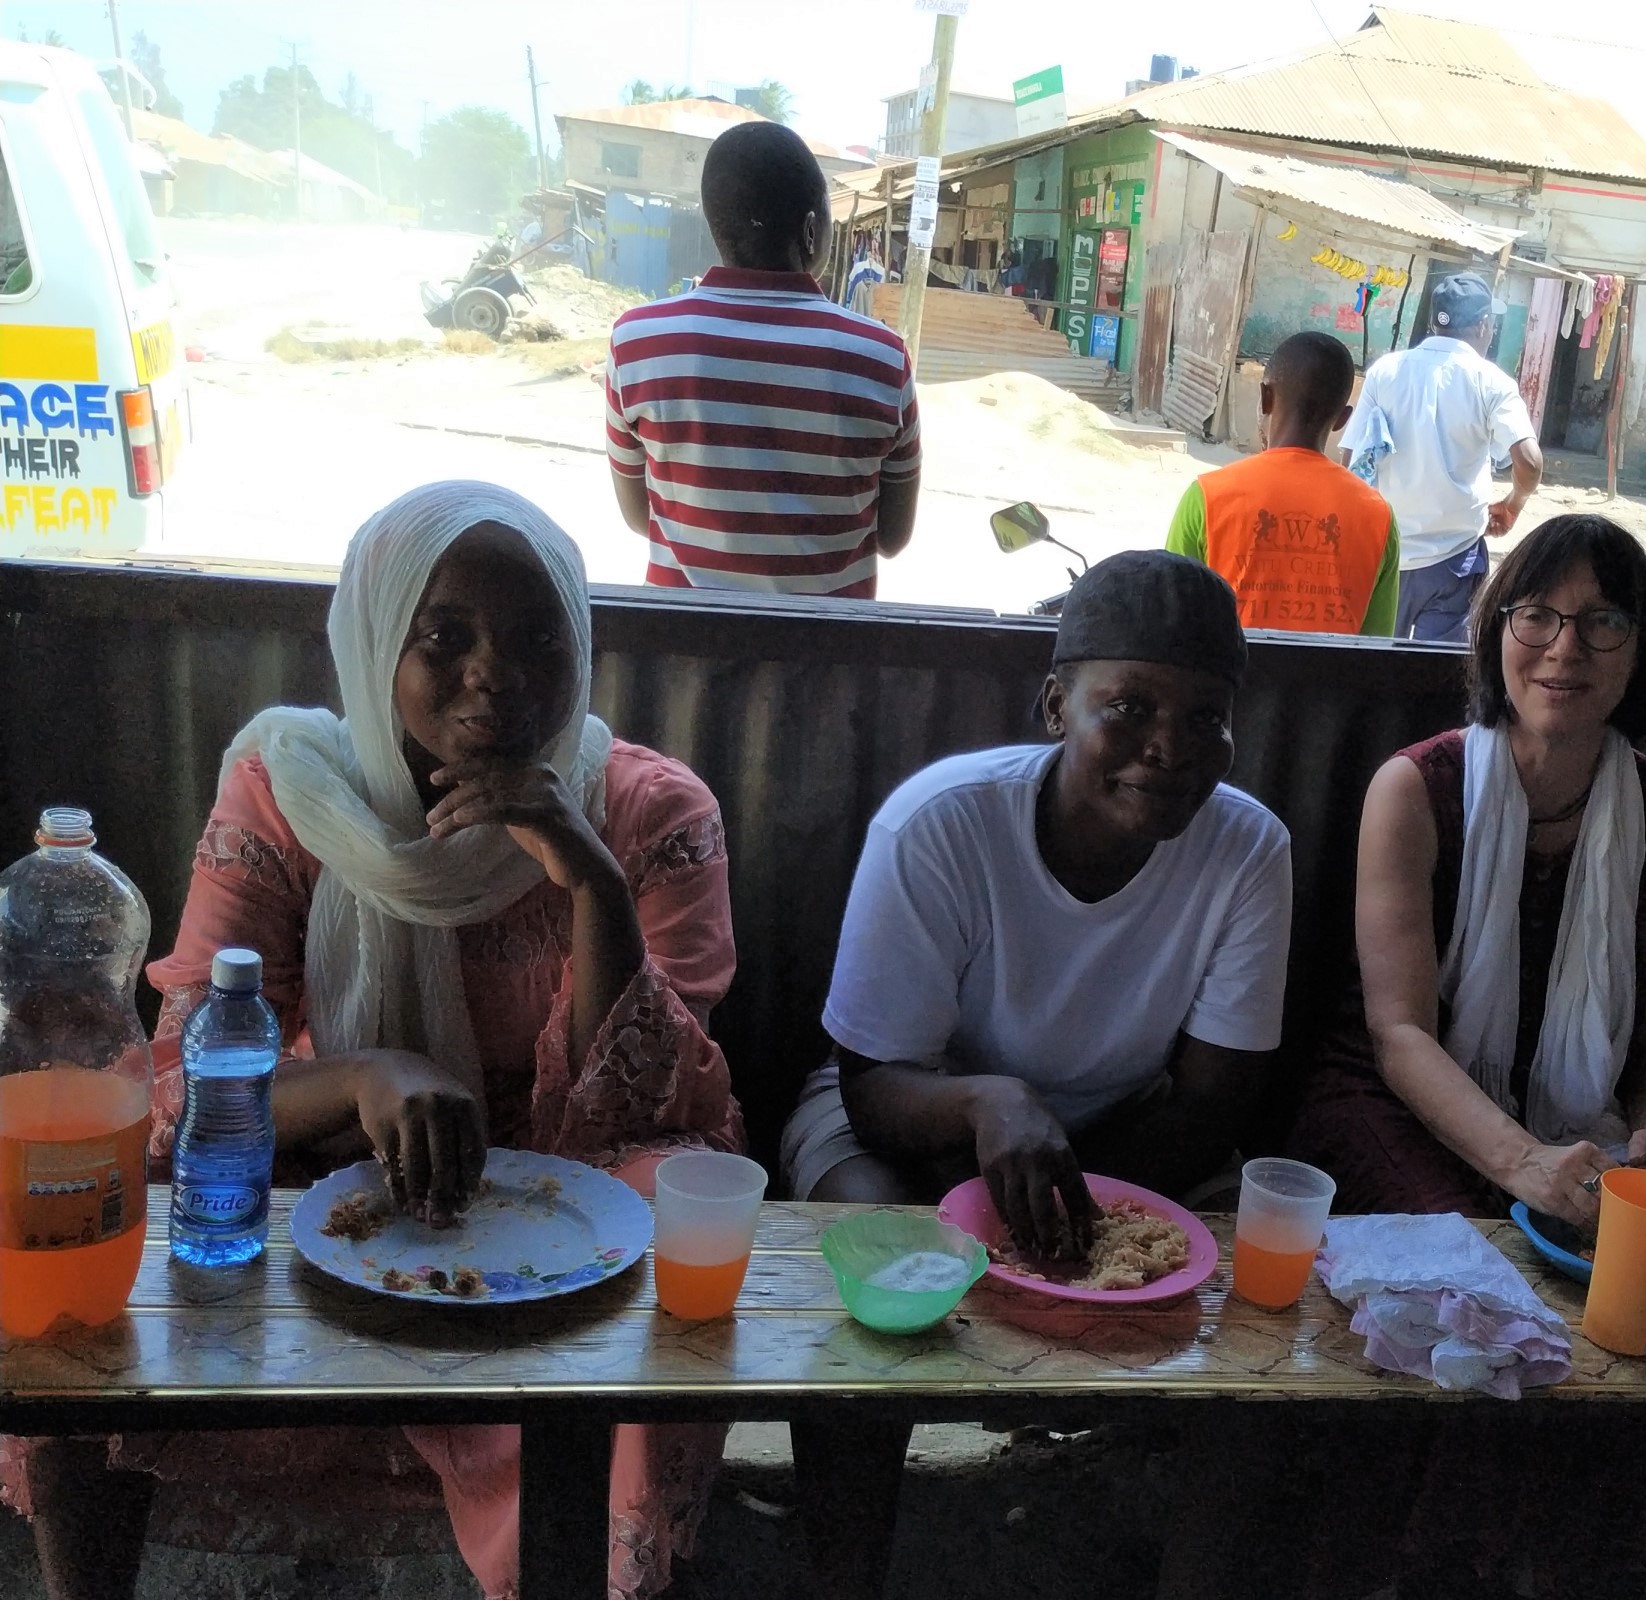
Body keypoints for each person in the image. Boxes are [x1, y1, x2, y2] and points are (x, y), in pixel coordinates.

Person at [0, 481, 745, 1600]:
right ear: (372, 633)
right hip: (333, 1176)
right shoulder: (288, 788)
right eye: (445, 634)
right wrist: (362, 1075)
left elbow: (636, 1103)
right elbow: (179, 1075)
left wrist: (591, 878)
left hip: (564, 1183)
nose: (496, 672)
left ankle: (608, 1575)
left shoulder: (650, 813)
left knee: (667, 1227)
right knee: (79, 1237)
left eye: (540, 637)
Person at [782, 548, 1293, 1233]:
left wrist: (1067, 1208)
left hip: (1135, 1142)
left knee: (1234, 1271)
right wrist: (987, 1104)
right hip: (907, 1128)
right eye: (1129, 708)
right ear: (1058, 707)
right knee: (901, 1246)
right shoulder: (940, 824)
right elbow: (873, 1089)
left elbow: (1207, 1108)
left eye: (1206, 719)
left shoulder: (1250, 850)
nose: (1170, 748)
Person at [1289, 514, 1646, 1227]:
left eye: (1604, 621)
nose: (1565, 647)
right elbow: (1400, 1034)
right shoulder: (1415, 790)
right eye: (1537, 616)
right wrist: (1524, 1163)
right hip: (1388, 1109)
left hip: (1576, 1131)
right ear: (1497, 634)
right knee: (1481, 1264)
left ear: (1641, 651)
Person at [606, 121, 920, 598]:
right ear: (812, 230)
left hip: (685, 654)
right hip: (830, 661)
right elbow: (893, 538)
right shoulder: (881, 358)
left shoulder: (638, 342)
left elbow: (637, 517)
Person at [1338, 274, 1544, 644]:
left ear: (1434, 322)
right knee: (1440, 675)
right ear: (1484, 326)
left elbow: (1351, 460)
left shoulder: (1385, 371)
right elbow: (1529, 461)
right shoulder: (1491, 381)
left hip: (1387, 555)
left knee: (1374, 663)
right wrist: (1514, 503)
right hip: (1455, 561)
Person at [1166, 331, 1399, 636]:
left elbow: (1171, 625)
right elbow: (1376, 648)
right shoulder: (1378, 516)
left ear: (1265, 398)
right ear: (1343, 419)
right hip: (1332, 685)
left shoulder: (1207, 497)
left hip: (1228, 684)